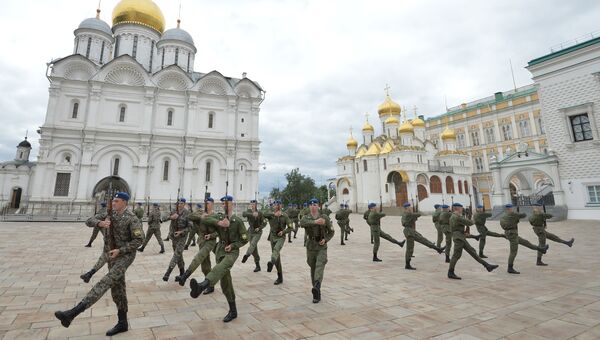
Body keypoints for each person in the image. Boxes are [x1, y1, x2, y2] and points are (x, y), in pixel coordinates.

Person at [55, 192, 144, 336]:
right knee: (118, 289)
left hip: (124, 256)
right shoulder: (109, 213)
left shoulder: (132, 218)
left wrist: (120, 250)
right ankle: (123, 323)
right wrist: (100, 223)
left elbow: (139, 240)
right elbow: (89, 221)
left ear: (124, 202)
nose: (113, 203)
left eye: (116, 201)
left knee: (105, 282)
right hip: (111, 256)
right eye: (113, 201)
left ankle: (73, 313)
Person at [189, 195, 248, 323]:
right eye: (223, 204)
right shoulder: (219, 217)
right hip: (220, 251)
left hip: (232, 252)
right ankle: (233, 311)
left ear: (232, 204)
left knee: (221, 267)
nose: (225, 205)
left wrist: (233, 245)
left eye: (228, 203)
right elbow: (205, 220)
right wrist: (219, 223)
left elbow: (244, 239)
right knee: (225, 281)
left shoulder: (237, 221)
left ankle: (203, 285)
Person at [447, 203, 498, 279]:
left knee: (472, 252)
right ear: (457, 208)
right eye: (461, 208)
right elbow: (470, 223)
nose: (462, 209)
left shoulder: (453, 216)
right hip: (459, 238)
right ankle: (450, 272)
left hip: (460, 237)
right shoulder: (456, 217)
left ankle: (487, 266)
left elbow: (458, 228)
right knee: (456, 255)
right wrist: (474, 217)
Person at [176, 198, 217, 293]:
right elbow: (190, 216)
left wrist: (211, 235)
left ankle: (185, 276)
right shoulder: (201, 213)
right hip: (201, 241)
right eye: (205, 203)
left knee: (198, 257)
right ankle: (210, 285)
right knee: (205, 266)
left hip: (210, 241)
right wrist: (201, 215)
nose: (206, 204)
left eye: (208, 203)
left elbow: (219, 232)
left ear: (213, 204)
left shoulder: (216, 216)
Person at [300, 198, 334, 303]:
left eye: (315, 204)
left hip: (321, 247)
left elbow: (331, 231)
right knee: (313, 267)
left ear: (318, 206)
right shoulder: (306, 217)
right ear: (309, 207)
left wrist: (326, 239)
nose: (313, 206)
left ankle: (317, 286)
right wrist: (315, 222)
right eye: (311, 205)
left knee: (320, 265)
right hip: (311, 246)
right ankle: (316, 291)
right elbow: (302, 223)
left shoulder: (324, 218)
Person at [500, 204, 549, 274]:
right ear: (509, 209)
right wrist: (518, 213)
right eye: (511, 208)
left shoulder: (503, 216)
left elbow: (504, 224)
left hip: (509, 234)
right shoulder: (513, 214)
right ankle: (510, 268)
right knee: (513, 252)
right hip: (512, 235)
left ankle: (542, 249)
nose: (512, 209)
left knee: (526, 243)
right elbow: (524, 215)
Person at [401, 202, 444, 270]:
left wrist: (412, 213)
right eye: (409, 207)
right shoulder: (408, 214)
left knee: (423, 240)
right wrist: (413, 212)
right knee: (410, 248)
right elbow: (418, 214)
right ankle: (407, 264)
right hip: (409, 232)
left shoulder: (406, 214)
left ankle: (438, 249)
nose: (411, 208)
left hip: (411, 231)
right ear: (406, 208)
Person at [264, 200, 293, 285]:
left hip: (281, 237)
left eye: (279, 204)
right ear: (274, 206)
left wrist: (283, 232)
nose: (277, 206)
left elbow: (290, 227)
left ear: (281, 206)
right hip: (273, 237)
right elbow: (263, 214)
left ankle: (271, 262)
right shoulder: (271, 215)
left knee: (276, 250)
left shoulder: (285, 216)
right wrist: (273, 214)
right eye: (276, 205)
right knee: (277, 258)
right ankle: (280, 276)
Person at [162, 198, 190, 281]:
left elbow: (190, 227)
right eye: (179, 203)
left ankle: (168, 273)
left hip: (182, 237)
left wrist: (181, 232)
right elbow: (163, 218)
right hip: (174, 236)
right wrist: (171, 217)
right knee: (178, 255)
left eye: (181, 203)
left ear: (184, 204)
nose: (180, 205)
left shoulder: (187, 213)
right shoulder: (174, 210)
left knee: (176, 254)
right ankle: (182, 272)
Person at [242, 200, 266, 272]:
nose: (252, 205)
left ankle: (247, 255)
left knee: (253, 244)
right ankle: (258, 266)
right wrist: (252, 214)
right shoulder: (249, 211)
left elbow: (264, 223)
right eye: (251, 204)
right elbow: (244, 214)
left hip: (257, 232)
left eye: (254, 204)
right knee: (254, 250)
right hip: (250, 231)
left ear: (256, 205)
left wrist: (259, 228)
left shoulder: (260, 213)